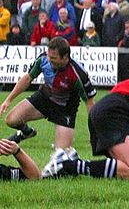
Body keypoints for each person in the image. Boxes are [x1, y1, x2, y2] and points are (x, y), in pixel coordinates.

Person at [0, 37, 96, 175]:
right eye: (49, 56)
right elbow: (27, 78)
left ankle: (73, 158)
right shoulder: (43, 59)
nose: (49, 60)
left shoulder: (77, 73)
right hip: (43, 99)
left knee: (60, 162)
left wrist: (94, 131)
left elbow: (90, 102)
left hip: (65, 110)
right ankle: (27, 132)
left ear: (65, 57)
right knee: (11, 120)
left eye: (54, 58)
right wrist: (8, 100)